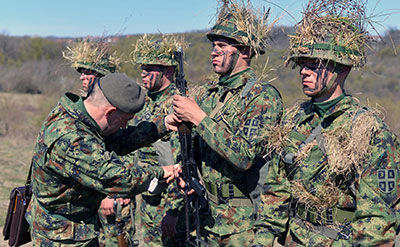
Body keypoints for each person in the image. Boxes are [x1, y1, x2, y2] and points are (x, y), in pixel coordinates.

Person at [270, 0, 400, 245]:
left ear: (341, 70)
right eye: (302, 65)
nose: (304, 72)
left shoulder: (367, 130)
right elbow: (275, 189)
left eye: (314, 65)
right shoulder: (292, 120)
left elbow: (377, 218)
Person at [170, 1, 287, 245]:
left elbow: (245, 155)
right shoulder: (207, 95)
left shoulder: (262, 96)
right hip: (207, 217)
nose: (213, 51)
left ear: (244, 51)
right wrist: (184, 168)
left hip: (244, 225)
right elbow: (193, 148)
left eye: (222, 46)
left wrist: (199, 118)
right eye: (213, 46)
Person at [25, 73, 181, 246]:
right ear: (110, 112)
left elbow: (118, 140)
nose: (124, 126)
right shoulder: (72, 139)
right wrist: (161, 172)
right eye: (124, 121)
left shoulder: (77, 116)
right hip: (62, 237)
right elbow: (118, 180)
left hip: (71, 229)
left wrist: (163, 125)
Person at [63, 38, 137, 246]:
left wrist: (111, 194)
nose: (82, 78)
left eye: (89, 72)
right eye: (82, 72)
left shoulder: (119, 108)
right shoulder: (83, 110)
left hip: (114, 198)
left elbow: (127, 153)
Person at [129, 34, 186, 246]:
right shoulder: (143, 103)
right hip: (148, 200)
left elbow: (182, 161)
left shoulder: (178, 105)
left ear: (168, 71)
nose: (143, 73)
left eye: (149, 68)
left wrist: (173, 209)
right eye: (142, 68)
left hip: (169, 203)